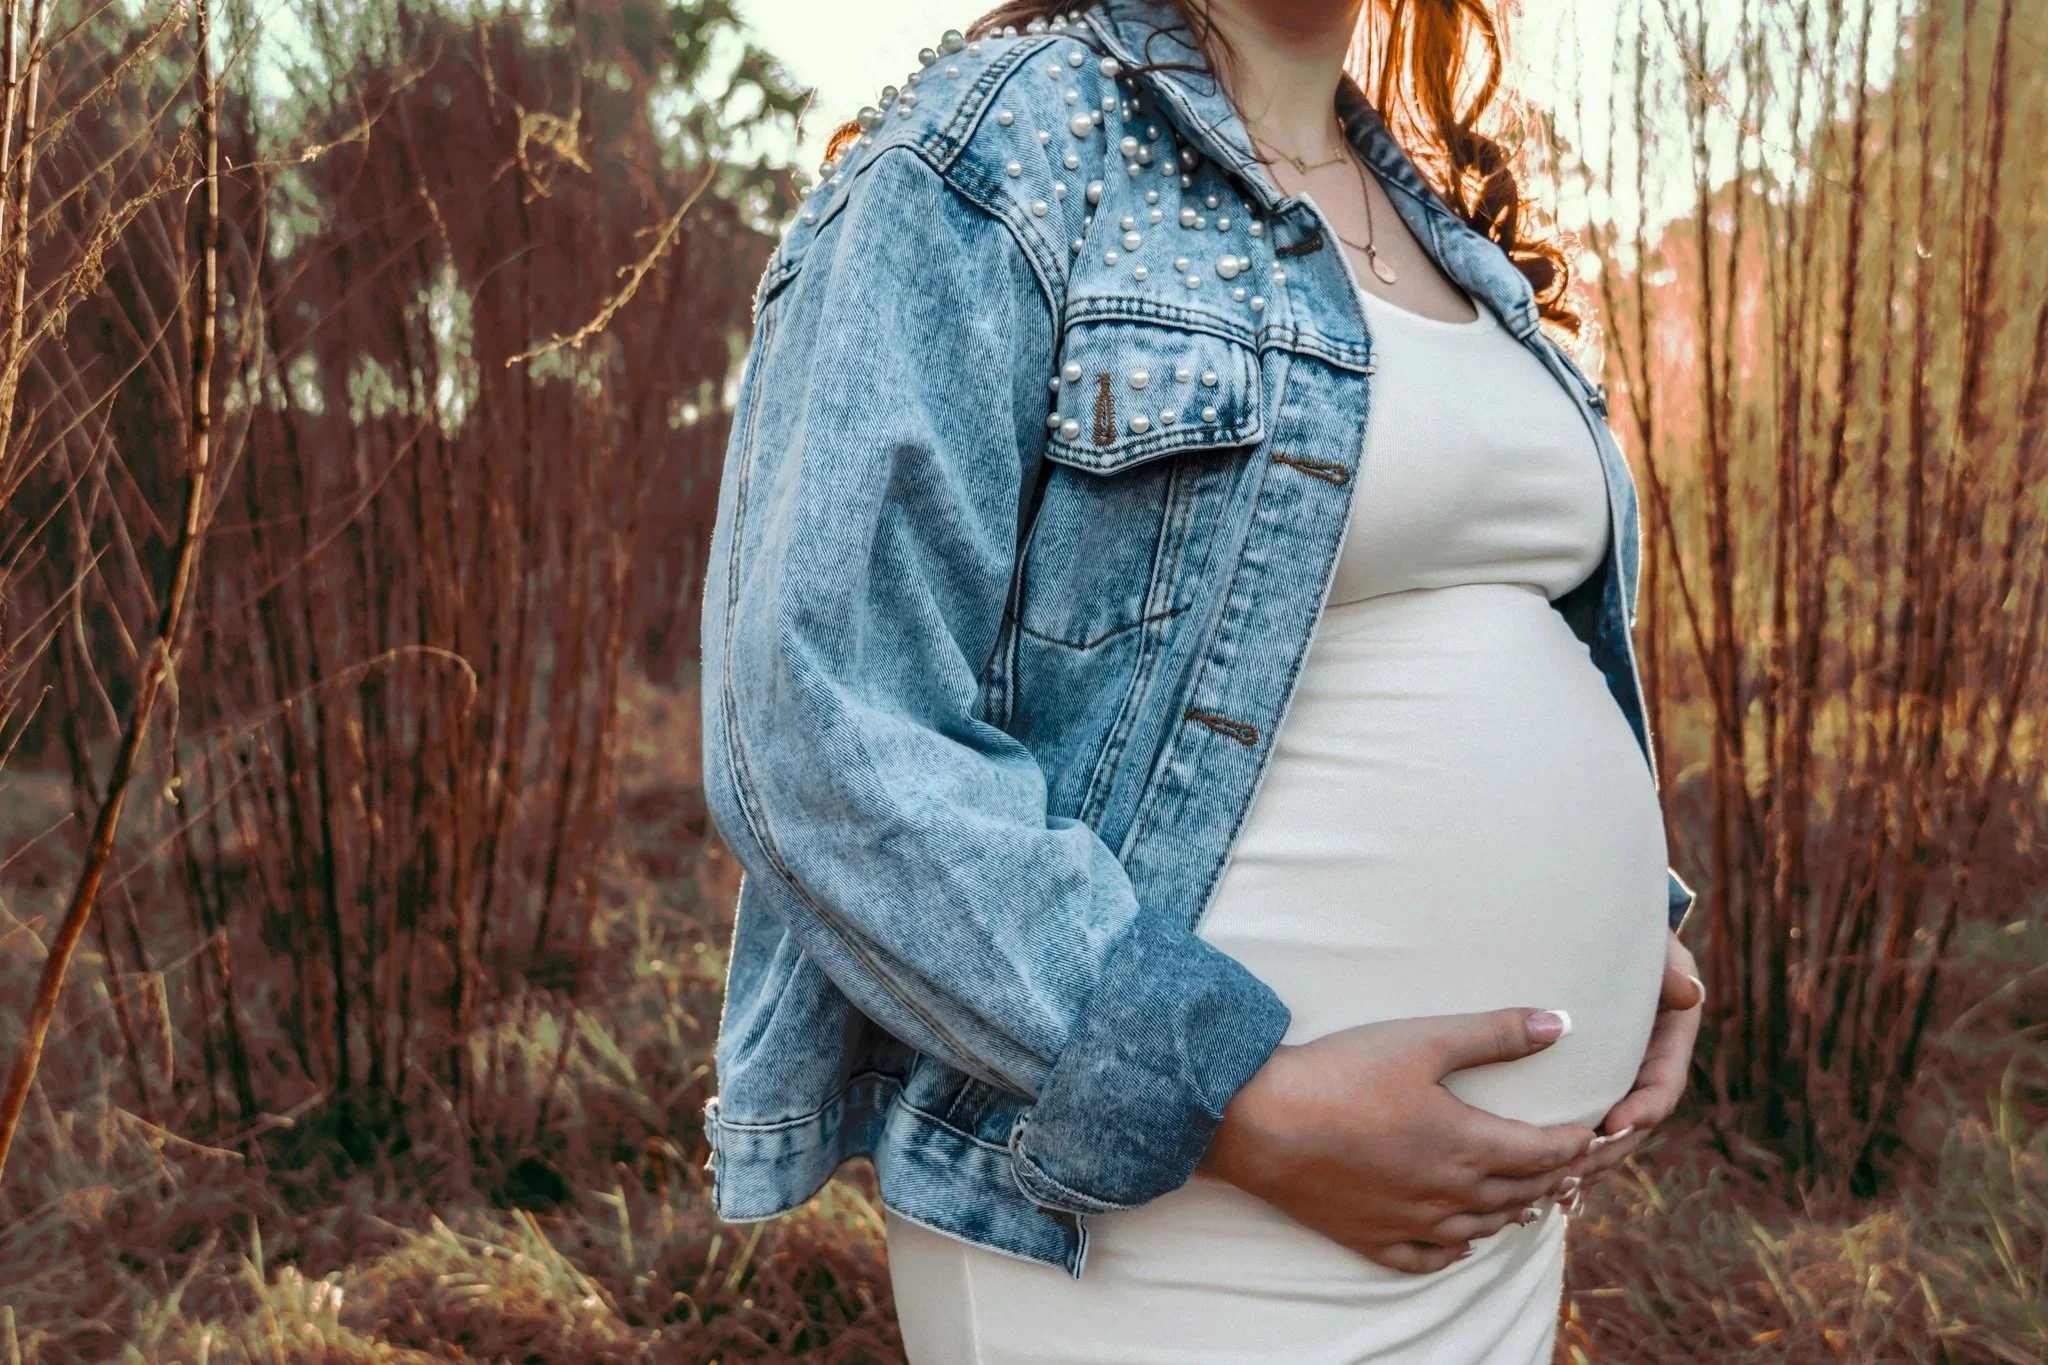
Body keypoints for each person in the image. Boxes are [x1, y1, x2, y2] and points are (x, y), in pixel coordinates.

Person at [697, 0, 1706, 1356]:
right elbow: (819, 727)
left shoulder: (1437, 223)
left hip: (1482, 1236)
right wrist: (1237, 1100)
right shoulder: (992, 149)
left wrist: (1630, 938)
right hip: (1157, 1213)